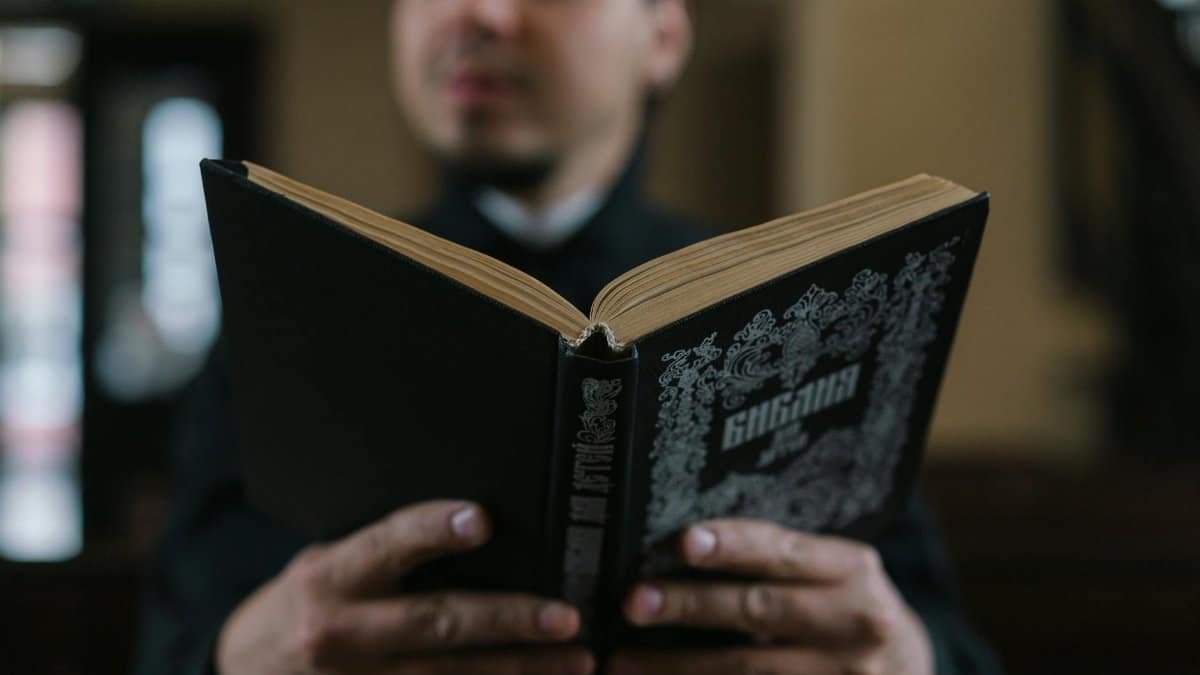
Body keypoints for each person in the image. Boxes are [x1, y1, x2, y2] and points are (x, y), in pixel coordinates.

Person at [135, 1, 1002, 673]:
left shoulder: (811, 309)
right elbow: (171, 642)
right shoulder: (289, 299)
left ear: (662, 34)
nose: (481, 14)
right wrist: (239, 655)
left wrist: (903, 655)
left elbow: (945, 643)